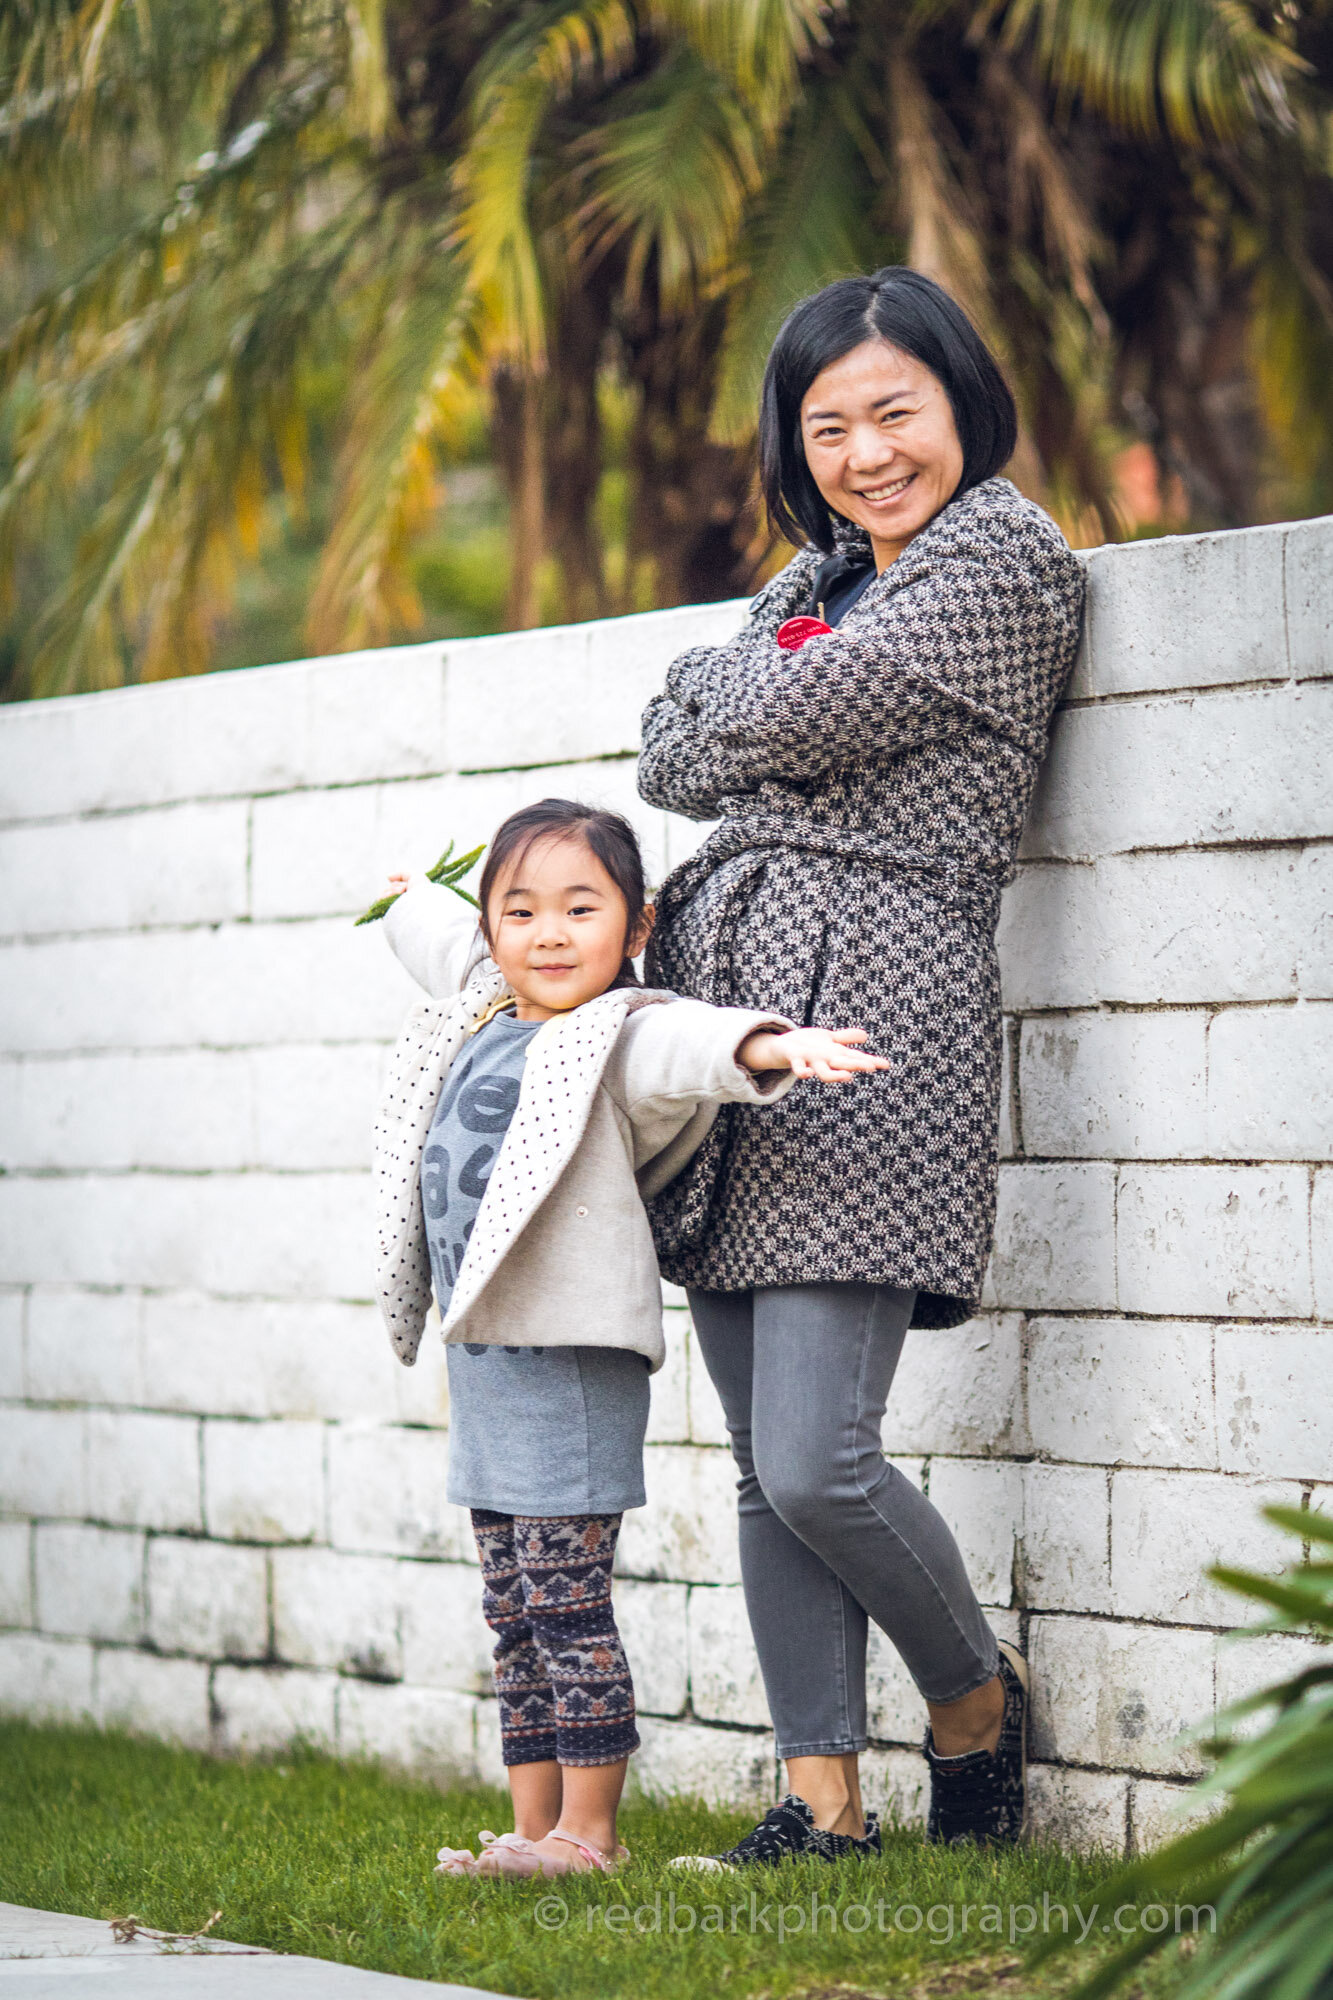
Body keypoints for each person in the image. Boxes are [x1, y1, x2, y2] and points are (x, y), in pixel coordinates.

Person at [637, 267, 1086, 1862]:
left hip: (878, 1018)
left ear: (961, 401)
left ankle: (969, 1696)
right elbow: (667, 747)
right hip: (729, 1022)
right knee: (761, 1469)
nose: (866, 451)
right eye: (828, 424)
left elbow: (768, 713)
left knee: (818, 1458)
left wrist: (735, 703)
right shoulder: (811, 575)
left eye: (895, 411)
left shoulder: (1001, 556)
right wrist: (736, 707)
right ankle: (817, 1804)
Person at [371, 797, 890, 1880]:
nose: (547, 933)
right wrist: (409, 895)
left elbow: (687, 1043)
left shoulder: (615, 1032)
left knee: (566, 1607)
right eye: (520, 912)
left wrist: (770, 1040)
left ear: (636, 924)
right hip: (487, 1367)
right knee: (512, 1610)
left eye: (579, 907)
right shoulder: (481, 1004)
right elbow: (444, 935)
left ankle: (590, 1835)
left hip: (567, 1368)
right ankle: (531, 1828)